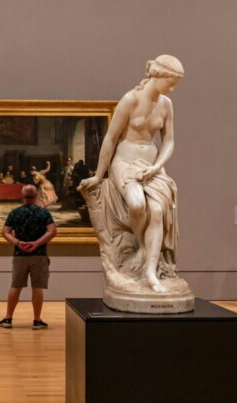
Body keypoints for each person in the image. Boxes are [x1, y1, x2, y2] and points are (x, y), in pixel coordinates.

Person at [79, 54, 185, 293]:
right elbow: (110, 138)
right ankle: (142, 246)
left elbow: (168, 141)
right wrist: (98, 175)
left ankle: (150, 271)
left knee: (157, 210)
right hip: (125, 163)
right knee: (137, 205)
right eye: (171, 82)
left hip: (151, 166)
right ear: (158, 76)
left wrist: (157, 167)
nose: (173, 89)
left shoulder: (167, 105)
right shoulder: (130, 100)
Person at [0, 185, 57, 330]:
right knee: (37, 287)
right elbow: (52, 231)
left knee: (16, 286)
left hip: (20, 255)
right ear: (36, 195)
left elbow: (5, 232)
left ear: (22, 196)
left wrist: (19, 243)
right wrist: (36, 243)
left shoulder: (15, 213)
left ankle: (8, 319)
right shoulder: (43, 213)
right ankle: (37, 321)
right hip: (39, 255)